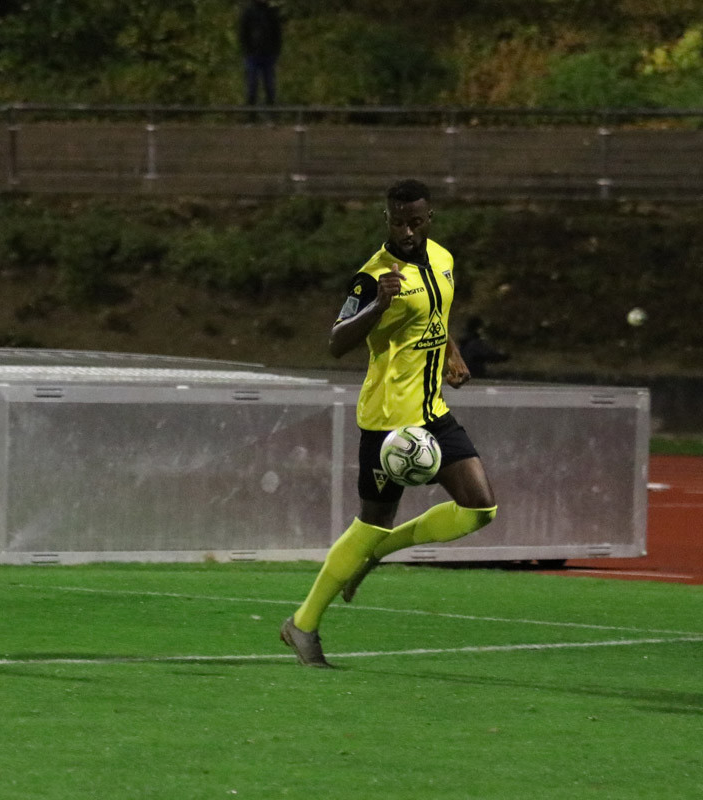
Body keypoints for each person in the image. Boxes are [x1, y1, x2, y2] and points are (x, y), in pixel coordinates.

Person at [280, 179, 498, 668]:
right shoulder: (372, 276)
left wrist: (451, 353)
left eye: (415, 222)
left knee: (481, 509)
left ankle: (379, 553)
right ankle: (303, 624)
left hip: (431, 411)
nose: (407, 231)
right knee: (371, 523)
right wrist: (378, 305)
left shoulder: (442, 258)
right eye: (398, 222)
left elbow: (436, 313)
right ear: (387, 220)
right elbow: (336, 343)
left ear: (429, 218)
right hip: (388, 422)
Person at [239, 0, 282, 110]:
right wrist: (247, 50)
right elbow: (243, 33)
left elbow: (277, 34)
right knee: (252, 85)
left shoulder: (271, 13)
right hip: (253, 55)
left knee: (269, 86)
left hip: (268, 55)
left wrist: (275, 51)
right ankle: (251, 114)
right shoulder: (249, 13)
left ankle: (271, 113)